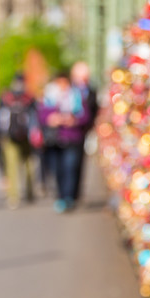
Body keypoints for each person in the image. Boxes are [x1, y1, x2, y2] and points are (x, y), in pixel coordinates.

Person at [38, 71, 91, 213]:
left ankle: (69, 197)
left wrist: (73, 120)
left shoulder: (77, 96)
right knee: (58, 170)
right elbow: (42, 115)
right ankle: (61, 196)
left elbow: (85, 116)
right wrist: (52, 118)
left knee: (70, 168)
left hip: (72, 138)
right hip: (55, 140)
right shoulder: (50, 97)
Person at [0, 72, 38, 209]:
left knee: (14, 166)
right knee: (26, 165)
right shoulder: (29, 97)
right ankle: (27, 192)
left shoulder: (6, 97)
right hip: (21, 135)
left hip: (10, 136)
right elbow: (34, 117)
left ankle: (14, 196)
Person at [70, 61, 98, 198]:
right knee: (67, 165)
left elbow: (94, 110)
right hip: (65, 133)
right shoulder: (69, 91)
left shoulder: (91, 91)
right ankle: (66, 193)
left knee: (78, 163)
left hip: (81, 132)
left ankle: (74, 193)